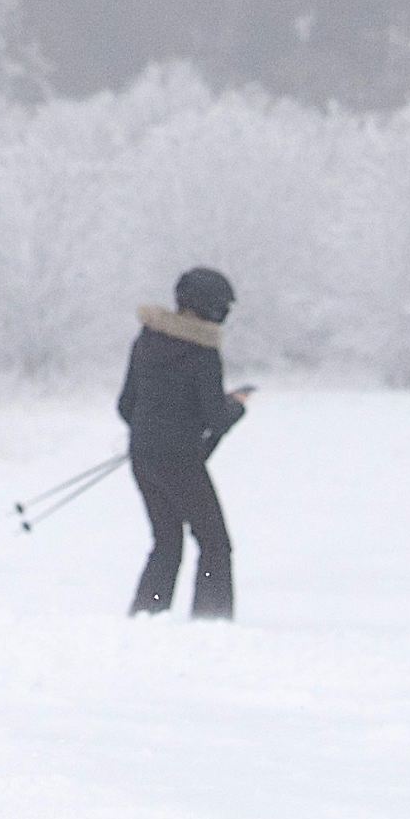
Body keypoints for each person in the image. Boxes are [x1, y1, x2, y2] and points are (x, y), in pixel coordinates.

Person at [118, 266, 249, 621]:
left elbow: (125, 406)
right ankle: (211, 619)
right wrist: (236, 405)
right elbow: (215, 418)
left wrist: (154, 431)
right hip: (181, 460)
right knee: (215, 544)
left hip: (142, 455)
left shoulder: (146, 340)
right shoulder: (202, 351)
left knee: (166, 542)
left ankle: (147, 613)